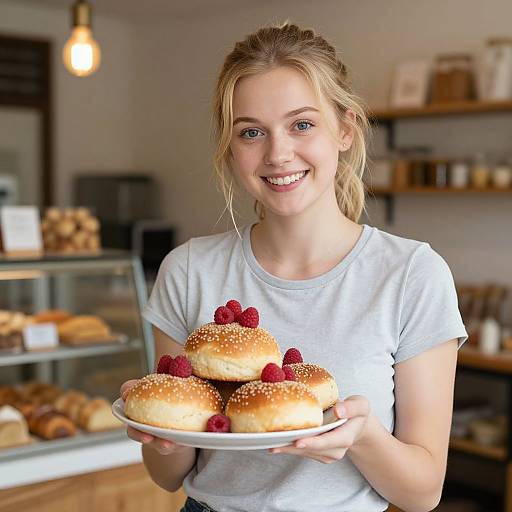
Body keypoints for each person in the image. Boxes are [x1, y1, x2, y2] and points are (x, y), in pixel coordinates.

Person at [120, 22, 467, 512]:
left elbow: (423, 492)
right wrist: (164, 438)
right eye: (251, 132)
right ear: (231, 146)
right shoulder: (188, 270)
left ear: (344, 130)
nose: (278, 153)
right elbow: (168, 478)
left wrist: (361, 435)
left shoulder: (413, 274)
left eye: (302, 124)